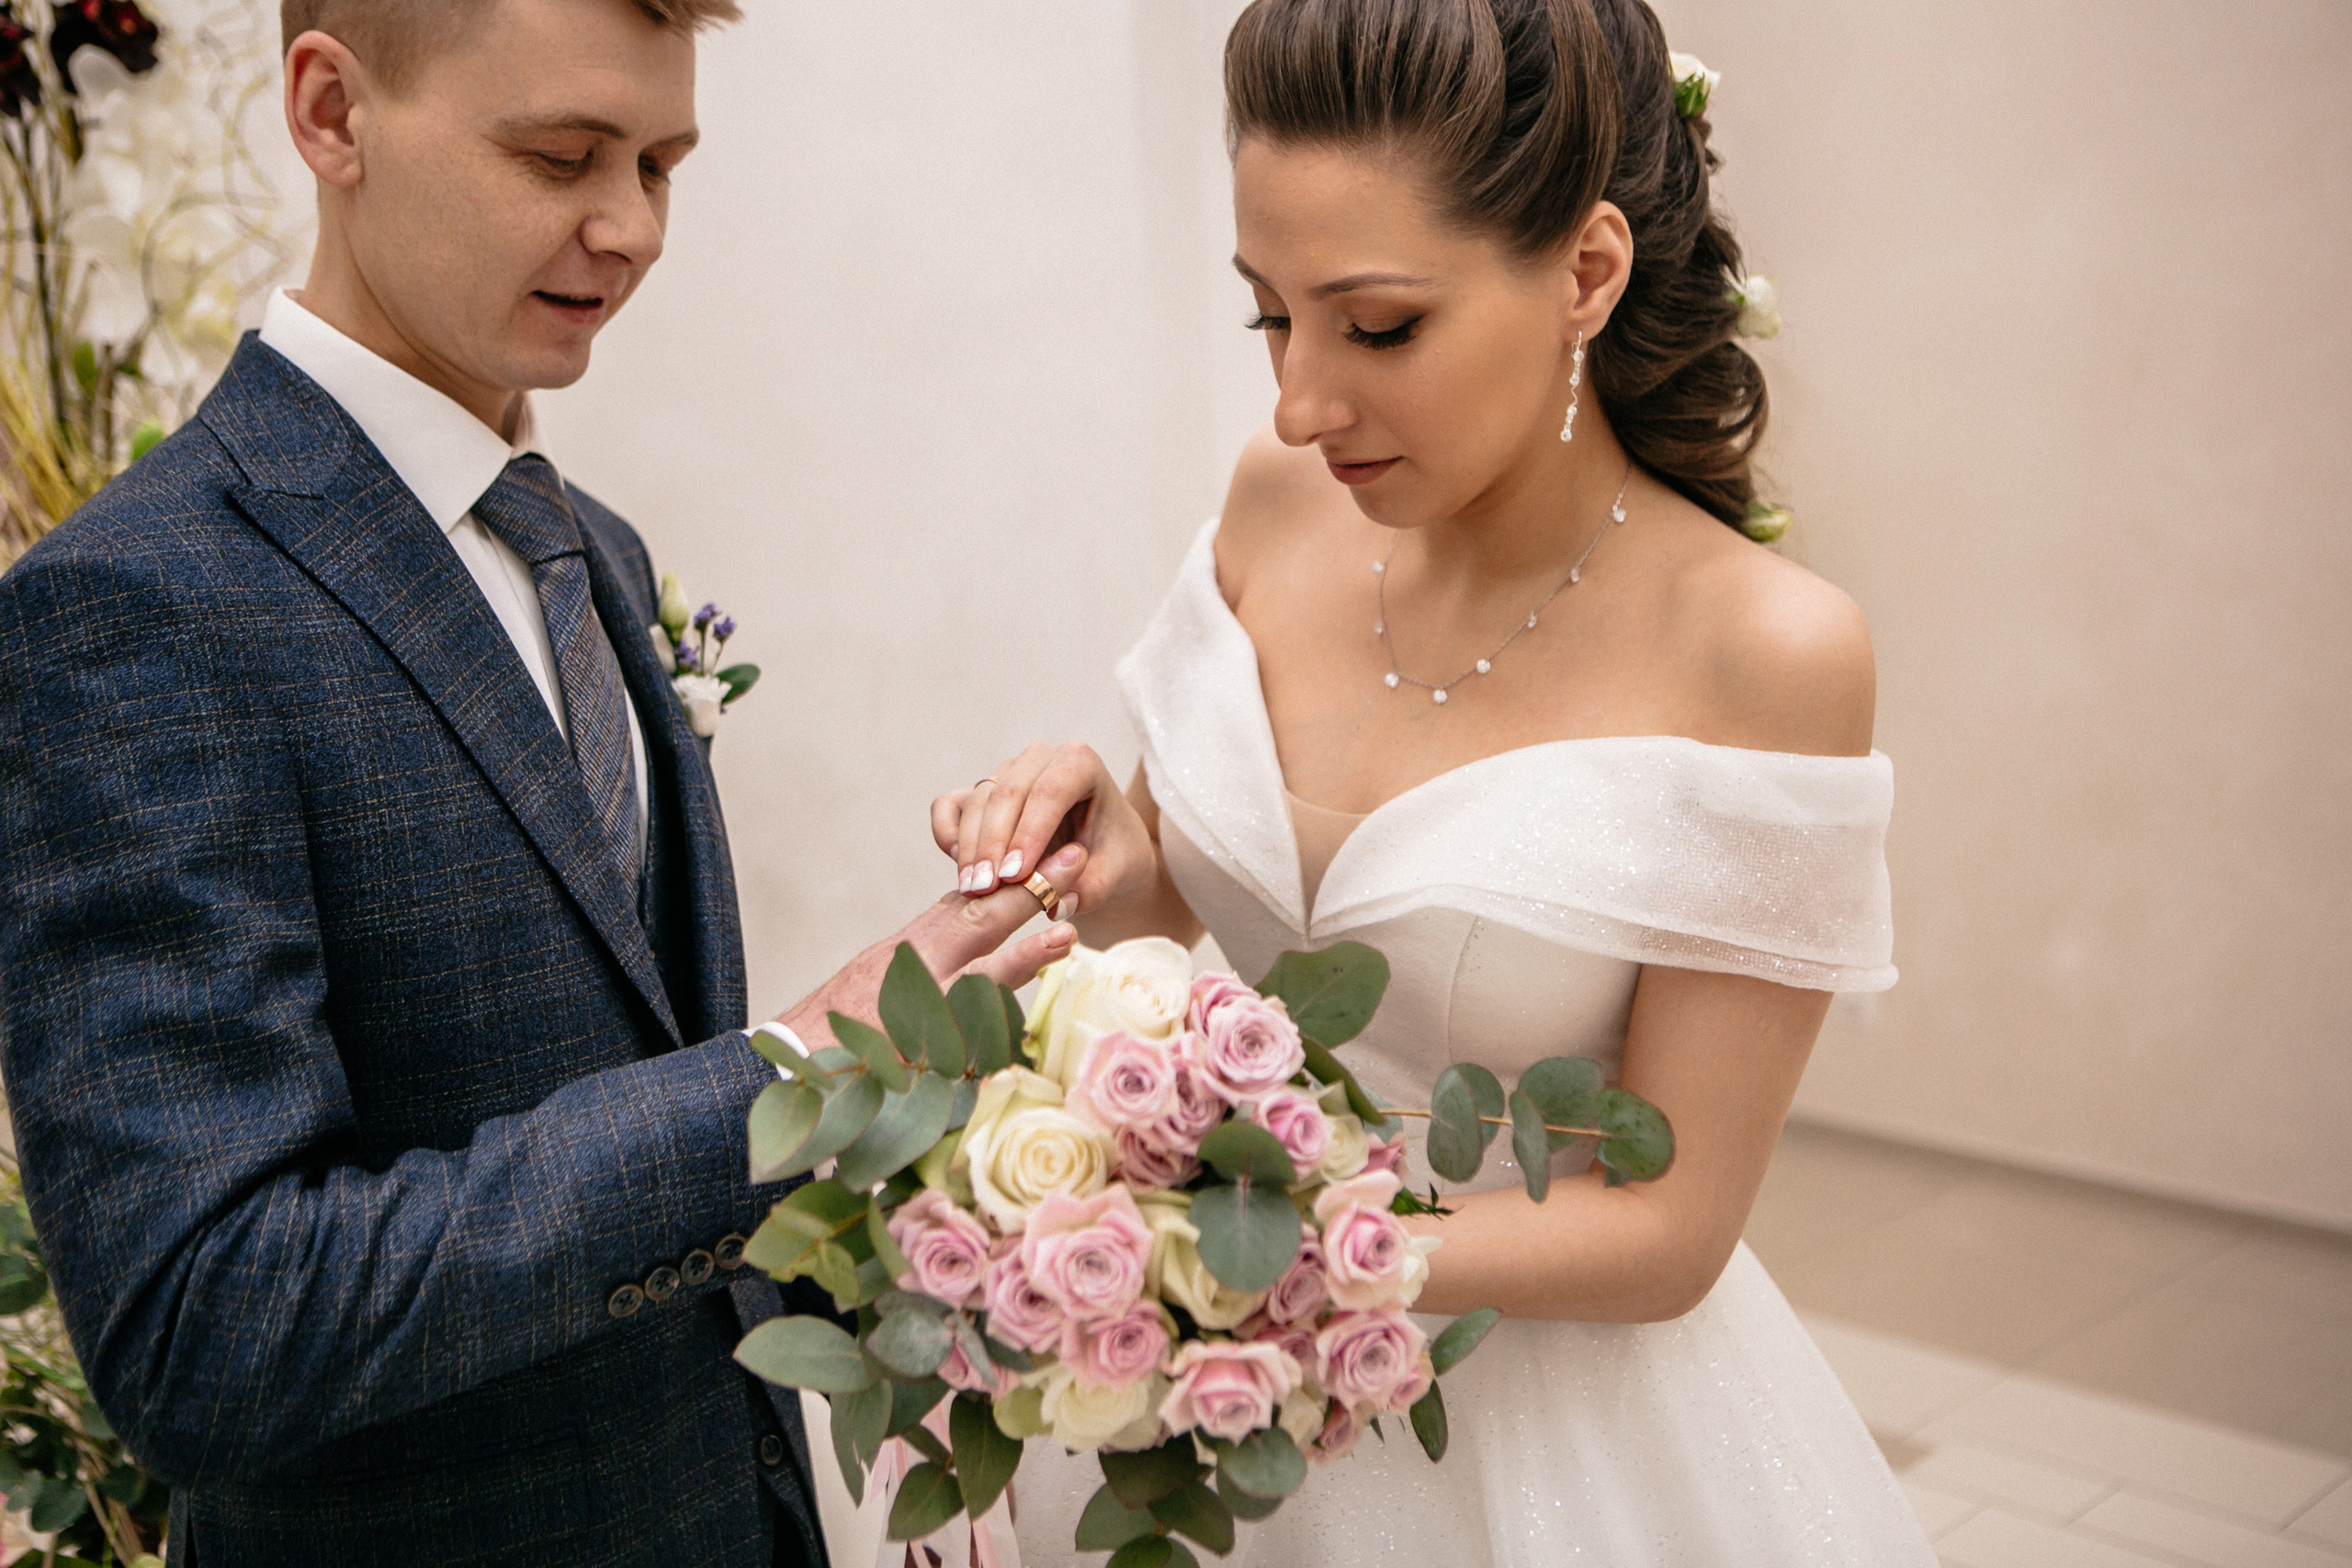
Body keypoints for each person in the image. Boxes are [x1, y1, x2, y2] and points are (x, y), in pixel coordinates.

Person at [0, 2, 1081, 1563]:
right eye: (562, 156)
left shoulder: (598, 551)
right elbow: (205, 1327)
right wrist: (783, 1080)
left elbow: (633, 1106)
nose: (631, 227)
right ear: (331, 112)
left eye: (661, 164)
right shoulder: (136, 604)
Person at [935, 0, 1935, 1562]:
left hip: (1542, 1443)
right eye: (1270, 317)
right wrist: (1097, 844)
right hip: (1210, 1413)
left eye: (1380, 327)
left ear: (1584, 272)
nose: (1299, 403)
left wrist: (1266, 1255)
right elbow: (1178, 898)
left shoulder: (1763, 650)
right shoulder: (1279, 502)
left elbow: (1672, 1229)